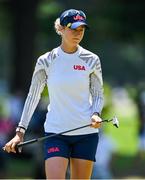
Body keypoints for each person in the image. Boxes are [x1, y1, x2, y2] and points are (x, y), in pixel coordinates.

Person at [3, 9, 104, 179]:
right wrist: (20, 132)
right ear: (61, 28)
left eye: (82, 30)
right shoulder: (46, 60)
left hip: (85, 133)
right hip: (56, 133)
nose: (78, 34)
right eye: (74, 29)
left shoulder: (92, 59)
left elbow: (98, 94)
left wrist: (96, 114)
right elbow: (33, 96)